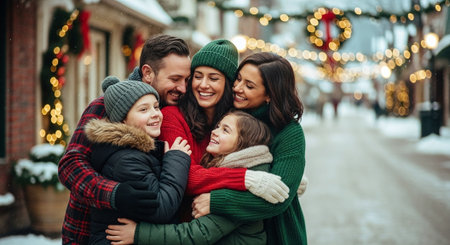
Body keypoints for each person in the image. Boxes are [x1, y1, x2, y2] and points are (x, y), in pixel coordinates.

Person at [58, 34, 191, 244]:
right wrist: (114, 194)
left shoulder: (172, 109)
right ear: (147, 73)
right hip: (89, 235)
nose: (183, 88)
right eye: (175, 79)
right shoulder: (108, 105)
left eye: (186, 80)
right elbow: (70, 166)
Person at [106, 110, 280, 244]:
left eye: (225, 130)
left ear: (244, 143)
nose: (215, 132)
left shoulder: (243, 188)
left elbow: (198, 234)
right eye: (218, 126)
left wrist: (138, 233)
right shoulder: (222, 166)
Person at [194, 52, 308, 245]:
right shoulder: (228, 113)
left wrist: (216, 201)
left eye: (249, 85)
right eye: (238, 79)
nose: (237, 88)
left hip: (277, 232)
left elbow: (280, 198)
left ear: (270, 94)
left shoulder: (289, 131)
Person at [84, 77, 191, 244]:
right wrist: (176, 159)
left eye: (156, 107)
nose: (155, 114)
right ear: (123, 120)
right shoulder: (125, 159)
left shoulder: (139, 151)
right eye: (143, 110)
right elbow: (161, 208)